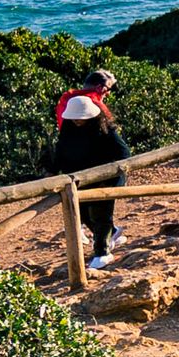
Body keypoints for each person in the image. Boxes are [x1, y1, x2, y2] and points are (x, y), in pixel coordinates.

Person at [45, 70, 132, 270]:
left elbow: (123, 153)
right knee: (83, 214)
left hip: (105, 178)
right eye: (74, 118)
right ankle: (111, 234)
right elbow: (60, 152)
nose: (77, 121)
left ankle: (102, 252)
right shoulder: (69, 130)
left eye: (80, 118)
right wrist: (52, 171)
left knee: (100, 214)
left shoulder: (105, 129)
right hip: (80, 179)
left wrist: (110, 174)